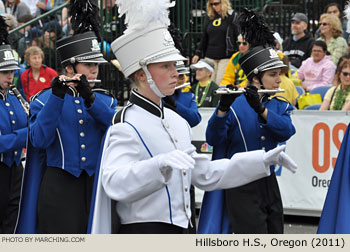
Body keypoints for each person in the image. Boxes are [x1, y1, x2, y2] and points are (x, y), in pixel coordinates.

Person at [89, 0, 297, 234]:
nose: (176, 73)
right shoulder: (126, 123)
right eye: (166, 66)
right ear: (141, 73)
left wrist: (261, 161)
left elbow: (204, 174)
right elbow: (114, 182)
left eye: (174, 66)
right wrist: (157, 166)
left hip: (184, 230)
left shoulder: (178, 122)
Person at [16, 0, 118, 234]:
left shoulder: (106, 100)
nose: (94, 70)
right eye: (89, 64)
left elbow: (114, 128)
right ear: (70, 68)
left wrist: (90, 99)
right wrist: (57, 97)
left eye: (97, 65)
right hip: (59, 188)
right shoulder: (44, 100)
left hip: (96, 186)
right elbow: (40, 140)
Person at [202, 9, 296, 234]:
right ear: (255, 78)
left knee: (276, 235)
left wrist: (261, 109)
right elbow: (213, 139)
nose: (278, 79)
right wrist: (222, 110)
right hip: (241, 184)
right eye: (272, 74)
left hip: (269, 181)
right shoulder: (234, 104)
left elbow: (286, 131)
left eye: (279, 73)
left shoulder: (278, 103)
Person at [0, 15, 28, 234]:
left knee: (13, 218)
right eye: (5, 72)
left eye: (12, 72)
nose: (11, 77)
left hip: (15, 168)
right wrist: (27, 134)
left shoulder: (14, 96)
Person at [191, 0, 239, 84]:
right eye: (211, 4)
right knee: (208, 83)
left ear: (223, 2)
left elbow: (237, 34)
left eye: (216, 3)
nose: (214, 6)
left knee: (220, 83)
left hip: (225, 56)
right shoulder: (210, 17)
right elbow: (204, 37)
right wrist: (197, 53)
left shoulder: (232, 16)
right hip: (210, 56)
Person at [163, 61, 201, 128]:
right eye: (180, 75)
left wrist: (173, 103)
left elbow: (195, 119)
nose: (183, 78)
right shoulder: (157, 97)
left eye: (183, 75)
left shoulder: (189, 96)